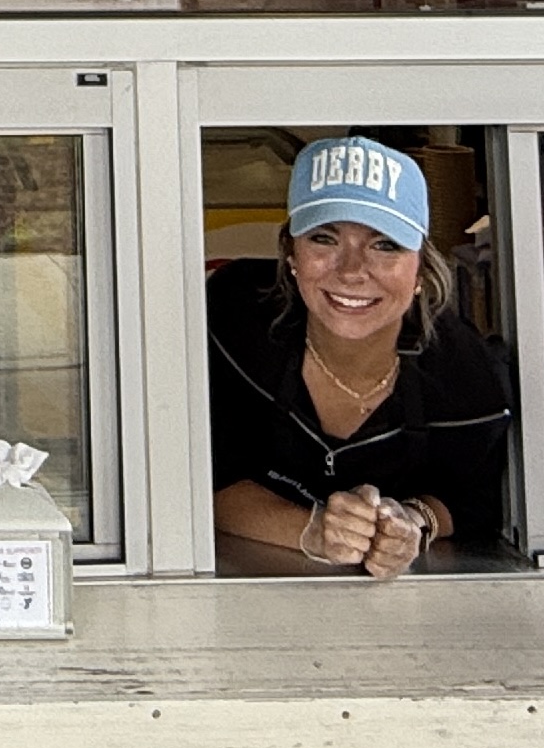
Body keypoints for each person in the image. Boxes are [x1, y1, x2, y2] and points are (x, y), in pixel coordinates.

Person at [209, 135, 512, 573]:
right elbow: (197, 477)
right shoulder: (232, 320)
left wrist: (412, 522)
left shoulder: (464, 377)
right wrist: (312, 530)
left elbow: (476, 498)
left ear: (422, 271)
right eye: (324, 238)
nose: (351, 271)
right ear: (291, 255)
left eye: (384, 244)